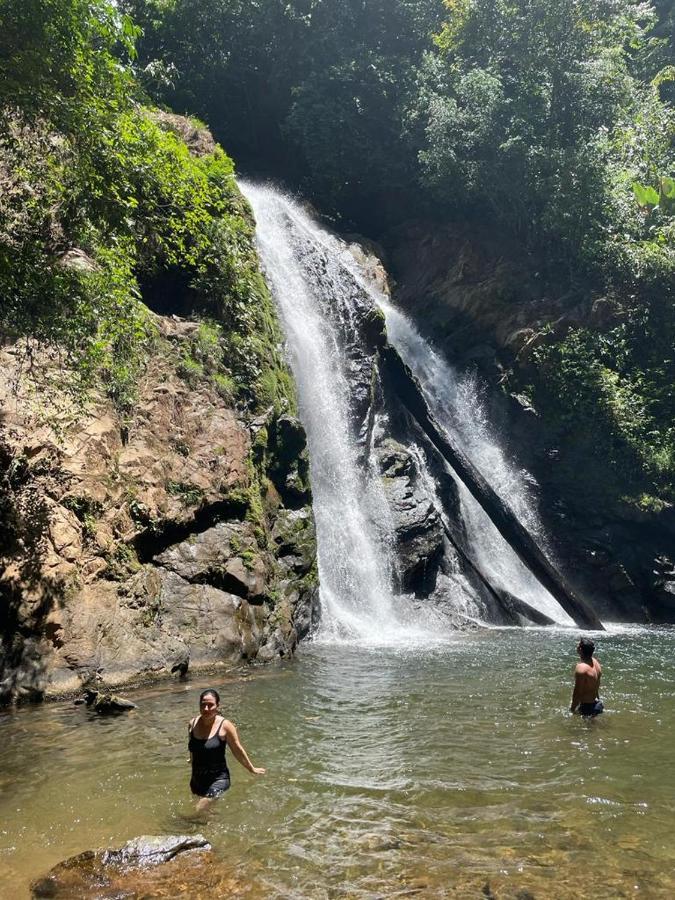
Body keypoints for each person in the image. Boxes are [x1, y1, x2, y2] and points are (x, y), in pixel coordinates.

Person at [188, 688, 265, 811]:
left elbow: (237, 749)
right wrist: (191, 759)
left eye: (210, 705)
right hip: (197, 779)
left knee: (198, 809)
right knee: (206, 814)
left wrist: (251, 768)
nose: (206, 709)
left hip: (218, 779)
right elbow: (192, 747)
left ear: (217, 706)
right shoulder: (192, 724)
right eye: (203, 705)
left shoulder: (225, 726)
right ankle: (213, 829)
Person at [570, 638, 603, 716]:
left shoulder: (581, 668)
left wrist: (572, 709)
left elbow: (578, 692)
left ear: (580, 649)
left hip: (586, 708)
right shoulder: (595, 662)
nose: (576, 646)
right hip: (597, 703)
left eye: (577, 645)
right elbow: (597, 684)